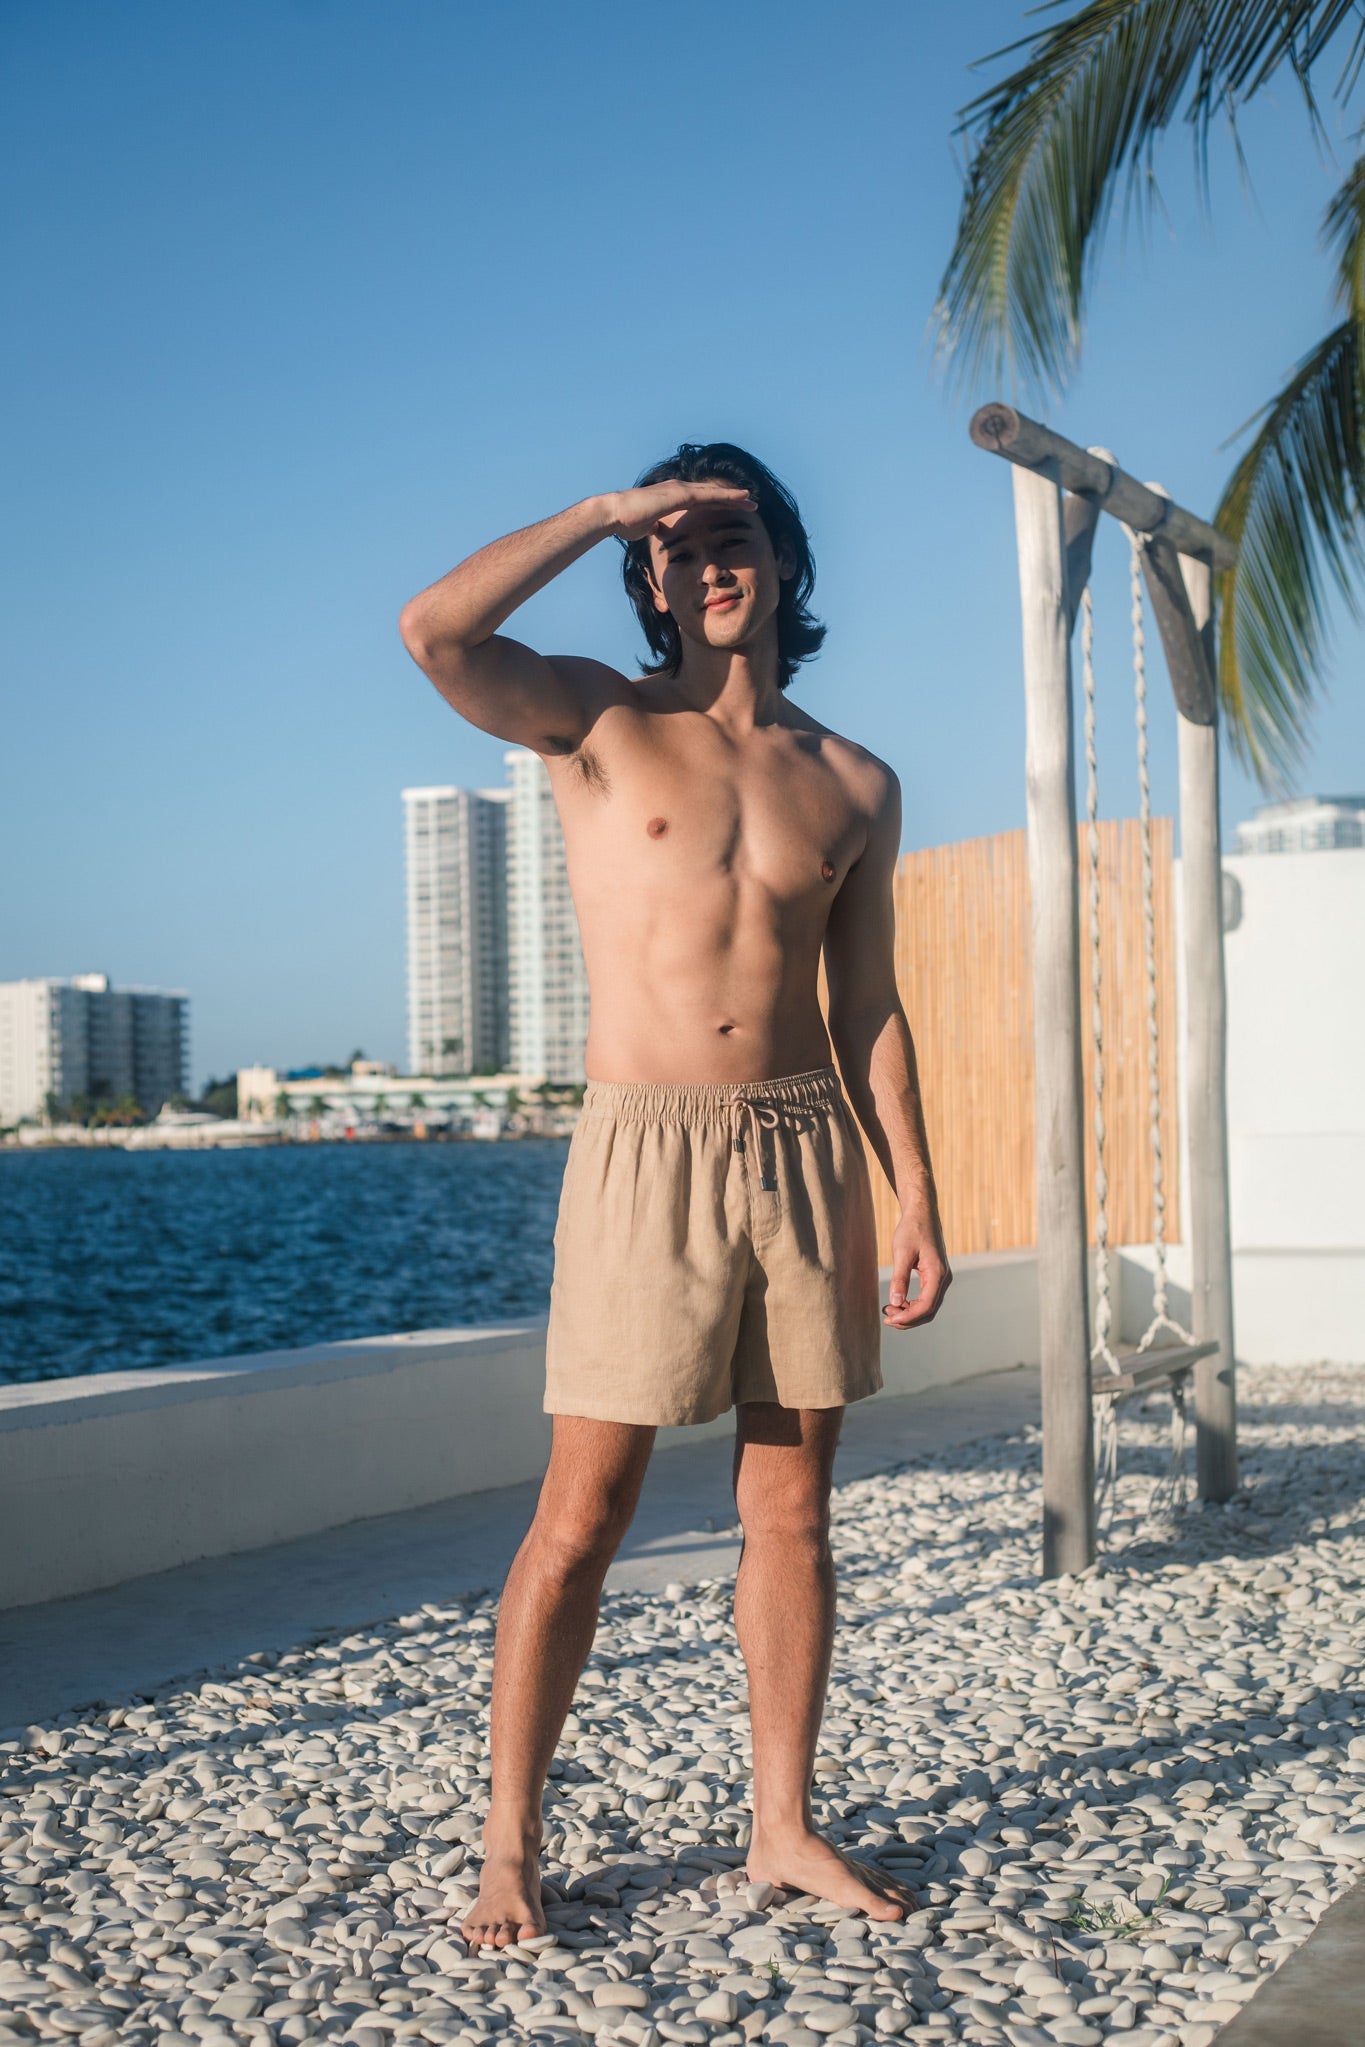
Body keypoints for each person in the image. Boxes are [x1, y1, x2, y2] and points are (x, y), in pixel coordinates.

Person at [399, 442, 951, 1951]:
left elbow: (868, 1007)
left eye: (736, 537)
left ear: (783, 561)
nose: (710, 562)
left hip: (798, 1148)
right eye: (681, 542)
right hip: (645, 1146)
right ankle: (508, 1843)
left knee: (789, 1510)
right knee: (583, 1513)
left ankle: (780, 1824)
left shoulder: (851, 779)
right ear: (647, 574)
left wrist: (913, 1195)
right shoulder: (596, 721)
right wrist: (597, 515)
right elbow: (434, 635)